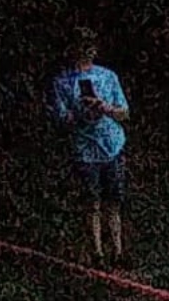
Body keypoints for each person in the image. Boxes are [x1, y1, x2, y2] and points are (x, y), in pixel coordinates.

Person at [50, 28, 131, 265]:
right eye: (82, 46)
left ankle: (118, 251)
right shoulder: (62, 81)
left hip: (112, 144)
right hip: (84, 150)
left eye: (90, 46)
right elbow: (61, 119)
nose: (87, 51)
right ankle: (97, 253)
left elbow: (124, 112)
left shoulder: (108, 76)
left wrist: (103, 107)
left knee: (114, 201)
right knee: (92, 202)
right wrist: (81, 113)